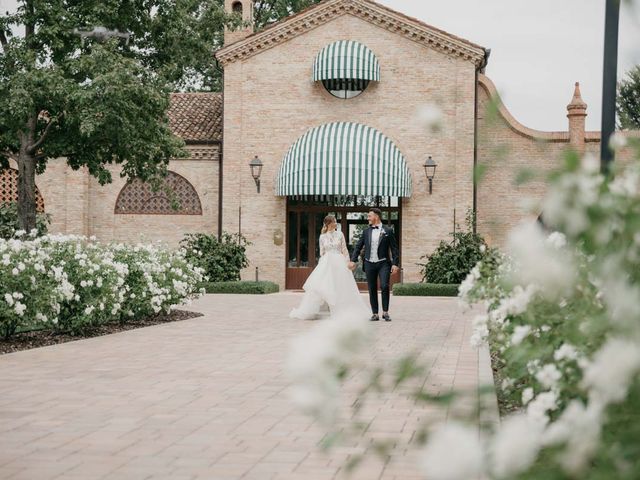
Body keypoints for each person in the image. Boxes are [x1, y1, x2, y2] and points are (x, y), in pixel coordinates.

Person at [290, 215, 369, 320]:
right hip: (327, 263)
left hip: (339, 262)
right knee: (325, 285)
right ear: (328, 224)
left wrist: (348, 263)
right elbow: (322, 253)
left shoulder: (340, 234)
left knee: (340, 285)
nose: (336, 223)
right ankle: (325, 308)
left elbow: (344, 250)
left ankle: (342, 309)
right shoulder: (322, 237)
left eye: (336, 221)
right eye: (334, 221)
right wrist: (322, 265)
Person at [348, 208, 399, 322]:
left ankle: (385, 312)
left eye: (369, 216)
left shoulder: (388, 230)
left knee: (385, 286)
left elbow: (394, 249)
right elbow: (358, 246)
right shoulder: (366, 231)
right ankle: (375, 313)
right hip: (369, 263)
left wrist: (395, 264)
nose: (368, 218)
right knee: (372, 288)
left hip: (384, 263)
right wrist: (353, 260)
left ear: (376, 216)